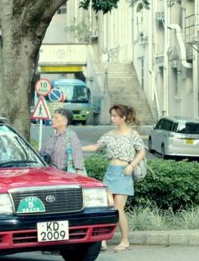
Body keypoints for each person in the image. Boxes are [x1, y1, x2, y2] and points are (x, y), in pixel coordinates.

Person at [82, 104, 146, 252]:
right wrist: (77, 148)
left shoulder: (132, 134)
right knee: (107, 207)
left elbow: (141, 152)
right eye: (111, 115)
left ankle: (125, 240)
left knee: (118, 208)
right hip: (110, 172)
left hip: (124, 172)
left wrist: (131, 165)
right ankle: (102, 240)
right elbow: (96, 147)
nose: (112, 118)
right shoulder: (109, 134)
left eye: (115, 116)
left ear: (123, 117)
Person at [38, 108, 86, 176]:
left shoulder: (71, 136)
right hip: (50, 175)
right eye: (52, 117)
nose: (52, 120)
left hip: (64, 176)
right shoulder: (52, 137)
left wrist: (79, 170)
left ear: (65, 121)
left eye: (56, 118)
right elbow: (41, 154)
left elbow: (77, 154)